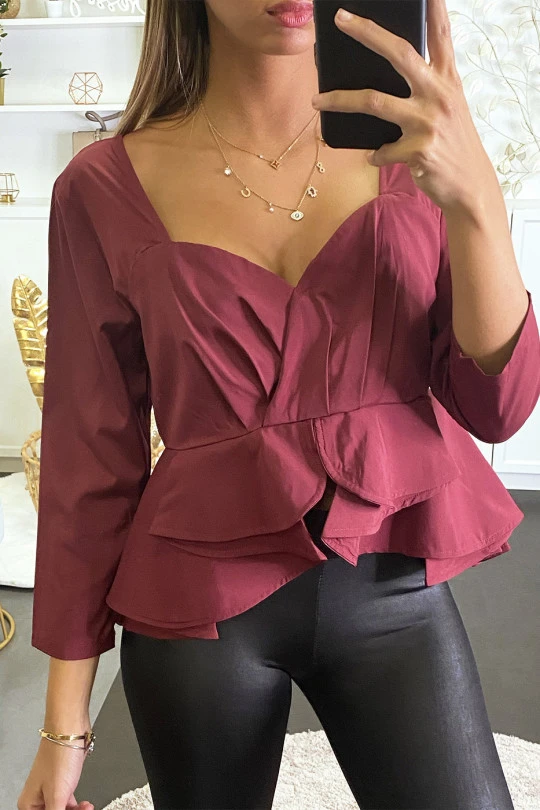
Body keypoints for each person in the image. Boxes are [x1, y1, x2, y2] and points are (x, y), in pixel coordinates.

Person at [19, 0, 540, 808]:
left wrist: (476, 204)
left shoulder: (416, 152)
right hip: (197, 614)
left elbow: (498, 407)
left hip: (395, 592)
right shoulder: (102, 187)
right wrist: (62, 729)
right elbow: (89, 468)